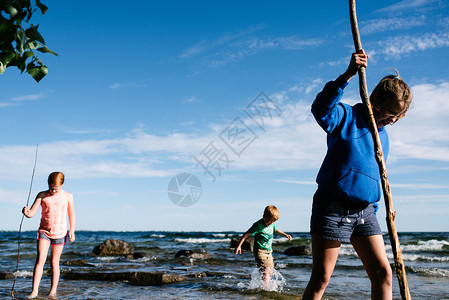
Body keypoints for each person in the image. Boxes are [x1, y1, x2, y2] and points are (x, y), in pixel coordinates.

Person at [302, 50, 412, 300]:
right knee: (321, 279)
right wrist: (348, 75)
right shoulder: (345, 116)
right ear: (375, 102)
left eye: (397, 118)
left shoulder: (383, 134)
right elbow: (320, 109)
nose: (392, 120)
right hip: (333, 207)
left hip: (365, 211)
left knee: (383, 274)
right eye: (389, 114)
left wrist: (374, 205)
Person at [22, 172, 76, 298]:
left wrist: (72, 230)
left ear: (62, 184)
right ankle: (34, 291)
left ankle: (52, 291)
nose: (52, 191)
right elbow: (31, 213)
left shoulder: (68, 196)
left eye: (55, 189)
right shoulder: (42, 195)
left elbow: (71, 214)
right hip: (44, 232)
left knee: (54, 262)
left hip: (60, 233)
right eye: (51, 187)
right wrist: (27, 212)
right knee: (40, 259)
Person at [234, 205, 292, 289]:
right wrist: (238, 246)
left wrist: (285, 235)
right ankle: (266, 289)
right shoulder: (258, 225)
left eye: (273, 221)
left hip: (269, 251)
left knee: (269, 271)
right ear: (264, 216)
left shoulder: (272, 224)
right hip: (260, 251)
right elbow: (246, 235)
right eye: (270, 221)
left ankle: (258, 286)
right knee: (266, 270)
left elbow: (276, 230)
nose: (271, 223)